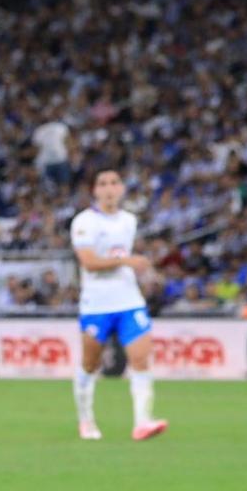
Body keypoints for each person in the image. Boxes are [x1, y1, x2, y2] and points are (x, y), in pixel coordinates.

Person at [70, 169, 169, 441]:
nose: (109, 188)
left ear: (123, 188)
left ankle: (142, 422)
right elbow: (88, 262)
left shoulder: (129, 220)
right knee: (90, 364)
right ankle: (86, 420)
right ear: (94, 190)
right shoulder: (84, 222)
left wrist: (141, 271)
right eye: (103, 183)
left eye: (114, 182)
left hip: (129, 301)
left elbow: (123, 257)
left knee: (141, 359)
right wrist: (127, 262)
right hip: (96, 304)